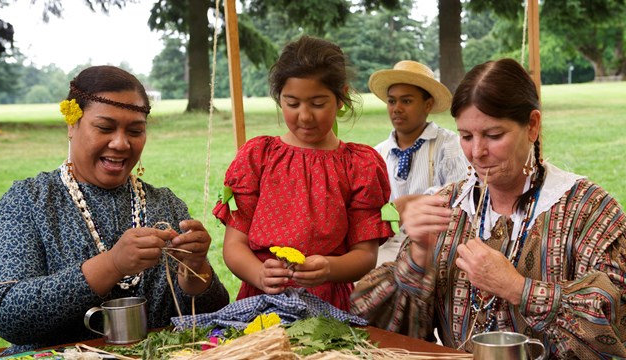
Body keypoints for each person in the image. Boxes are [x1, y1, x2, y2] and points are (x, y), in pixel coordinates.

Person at [350, 58, 626, 358]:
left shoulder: (589, 211)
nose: (477, 153)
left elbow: (613, 317)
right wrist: (418, 258)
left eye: (494, 135)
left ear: (532, 125)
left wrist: (519, 288)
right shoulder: (448, 207)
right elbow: (389, 331)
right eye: (466, 136)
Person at [0, 66, 229, 355]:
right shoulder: (29, 201)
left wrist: (196, 271)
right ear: (72, 125)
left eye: (135, 131)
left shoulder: (166, 204)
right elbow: (7, 315)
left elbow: (211, 314)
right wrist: (112, 264)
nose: (121, 143)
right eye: (105, 128)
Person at [213, 35, 394, 312]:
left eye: (318, 103)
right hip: (260, 301)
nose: (305, 116)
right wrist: (259, 274)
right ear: (279, 99)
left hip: (327, 308)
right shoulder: (258, 157)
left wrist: (330, 267)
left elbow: (365, 256)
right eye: (292, 103)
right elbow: (234, 246)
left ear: (341, 97)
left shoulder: (360, 166)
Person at [369, 61, 469, 266]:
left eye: (406, 101)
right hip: (387, 245)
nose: (396, 109)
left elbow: (462, 197)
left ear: (428, 104)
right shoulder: (379, 153)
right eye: (391, 101)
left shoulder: (447, 146)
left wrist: (413, 202)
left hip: (434, 244)